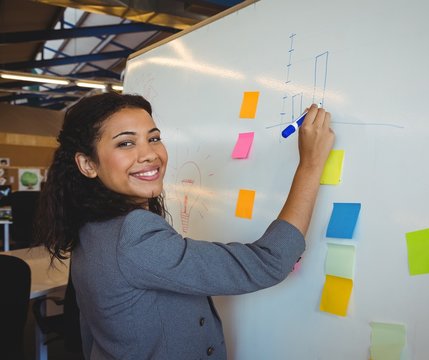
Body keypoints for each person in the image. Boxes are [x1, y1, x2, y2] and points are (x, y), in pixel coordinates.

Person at [35, 92, 334, 359]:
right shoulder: (133, 235)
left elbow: (92, 332)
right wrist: (310, 164)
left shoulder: (90, 226)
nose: (149, 154)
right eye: (126, 143)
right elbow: (269, 262)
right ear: (88, 164)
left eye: (153, 138)